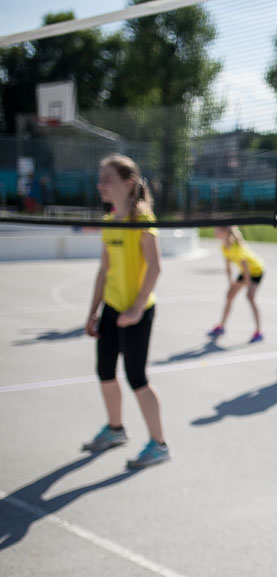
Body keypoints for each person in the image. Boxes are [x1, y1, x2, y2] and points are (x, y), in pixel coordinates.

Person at [83, 154, 169, 469]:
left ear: (128, 183)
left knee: (137, 377)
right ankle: (115, 429)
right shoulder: (108, 223)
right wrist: (93, 312)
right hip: (111, 308)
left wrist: (135, 308)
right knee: (105, 371)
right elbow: (104, 271)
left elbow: (155, 267)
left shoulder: (142, 220)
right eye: (101, 179)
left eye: (108, 179)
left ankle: (159, 445)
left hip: (138, 310)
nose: (100, 185)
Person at [208, 226, 265, 342]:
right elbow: (228, 266)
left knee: (250, 297)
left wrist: (248, 285)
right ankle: (221, 326)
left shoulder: (237, 248)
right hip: (245, 272)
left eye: (217, 229)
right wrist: (230, 282)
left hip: (256, 271)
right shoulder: (224, 247)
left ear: (224, 232)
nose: (215, 231)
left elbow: (245, 266)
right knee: (229, 296)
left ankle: (258, 331)